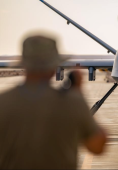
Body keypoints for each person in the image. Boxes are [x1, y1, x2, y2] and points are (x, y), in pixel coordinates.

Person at [0, 35, 107, 169]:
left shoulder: (3, 102)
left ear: (24, 65)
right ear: (53, 68)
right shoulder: (72, 104)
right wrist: (79, 95)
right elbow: (97, 146)